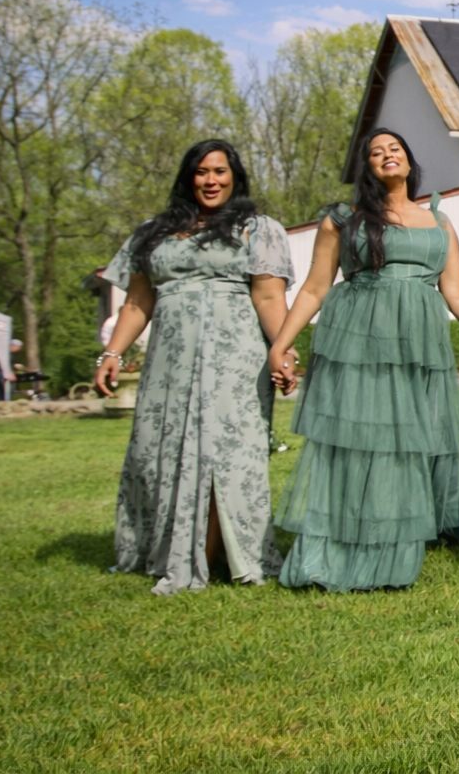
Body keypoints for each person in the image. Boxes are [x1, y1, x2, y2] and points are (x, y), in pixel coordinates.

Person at [268, 128, 459, 592]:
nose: (385, 155)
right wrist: (280, 343)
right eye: (375, 152)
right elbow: (315, 288)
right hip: (357, 342)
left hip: (416, 347)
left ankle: (393, 543)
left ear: (409, 162)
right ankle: (335, 545)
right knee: (356, 442)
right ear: (367, 168)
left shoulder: (439, 221)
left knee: (403, 445)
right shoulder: (344, 220)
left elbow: (455, 293)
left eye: (394, 148)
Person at [97, 140, 293, 595]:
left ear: (234, 177)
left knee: (226, 453)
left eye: (220, 172)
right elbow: (137, 303)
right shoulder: (154, 232)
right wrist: (112, 354)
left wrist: (283, 350)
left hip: (235, 361)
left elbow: (268, 297)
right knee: (157, 453)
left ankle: (218, 551)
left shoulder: (256, 229)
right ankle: (168, 549)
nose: (211, 180)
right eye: (202, 172)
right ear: (188, 177)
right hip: (169, 360)